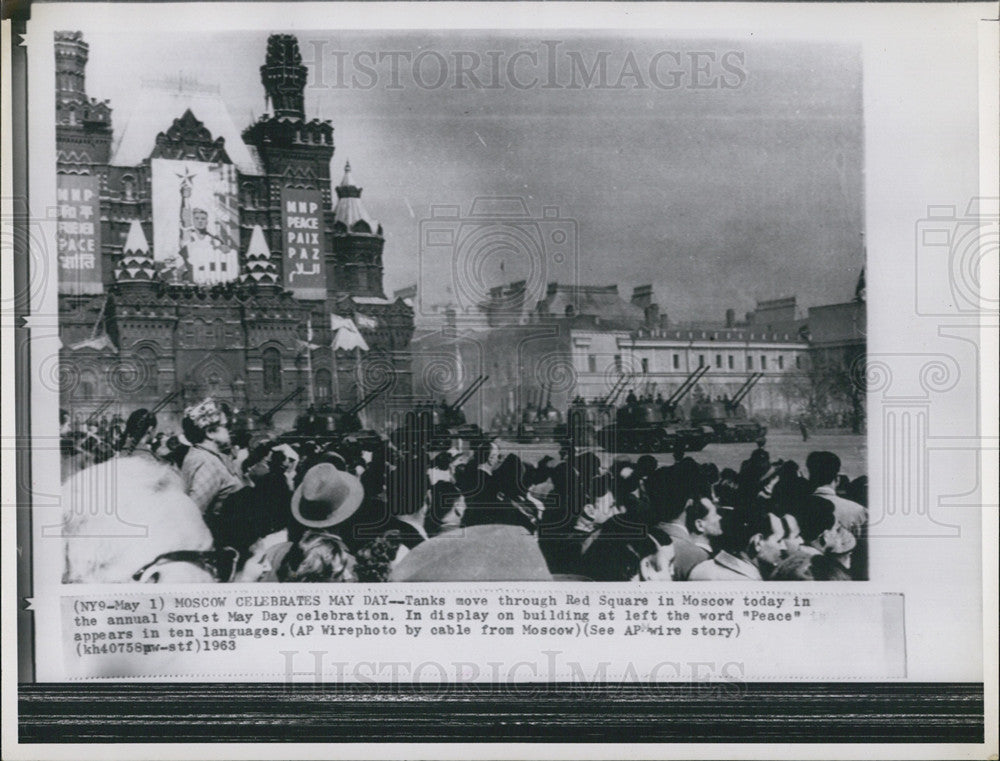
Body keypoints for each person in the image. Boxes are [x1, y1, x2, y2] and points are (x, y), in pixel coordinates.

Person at [180, 398, 247, 523]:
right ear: (210, 432)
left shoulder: (203, 455)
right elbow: (193, 513)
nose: (230, 431)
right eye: (225, 426)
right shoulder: (207, 461)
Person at [689, 508, 787, 581]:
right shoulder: (750, 587)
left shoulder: (699, 570)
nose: (784, 547)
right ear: (758, 542)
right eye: (779, 541)